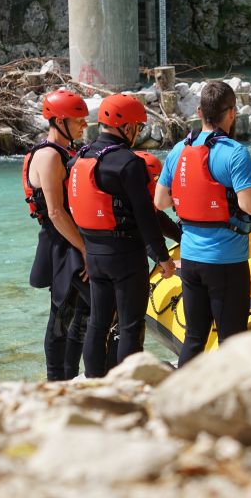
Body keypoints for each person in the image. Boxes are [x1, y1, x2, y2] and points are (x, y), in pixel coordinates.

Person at [155, 81, 251, 366]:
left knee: (194, 337)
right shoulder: (235, 153)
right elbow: (250, 206)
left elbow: (160, 202)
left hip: (190, 258)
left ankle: (183, 399)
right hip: (226, 262)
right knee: (232, 339)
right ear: (232, 113)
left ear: (200, 111)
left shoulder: (179, 150)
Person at [67, 93, 175, 377]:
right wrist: (162, 257)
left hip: (93, 252)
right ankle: (128, 383)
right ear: (125, 126)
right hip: (125, 255)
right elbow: (146, 215)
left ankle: (93, 379)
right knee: (130, 324)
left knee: (98, 322)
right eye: (138, 127)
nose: (138, 133)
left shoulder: (80, 157)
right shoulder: (128, 163)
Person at [22, 89, 91, 380]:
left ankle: (70, 375)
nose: (84, 125)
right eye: (78, 120)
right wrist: (86, 250)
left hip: (71, 240)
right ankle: (56, 379)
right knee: (63, 313)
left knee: (80, 311)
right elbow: (55, 212)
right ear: (60, 121)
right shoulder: (49, 156)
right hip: (62, 244)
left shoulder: (67, 151)